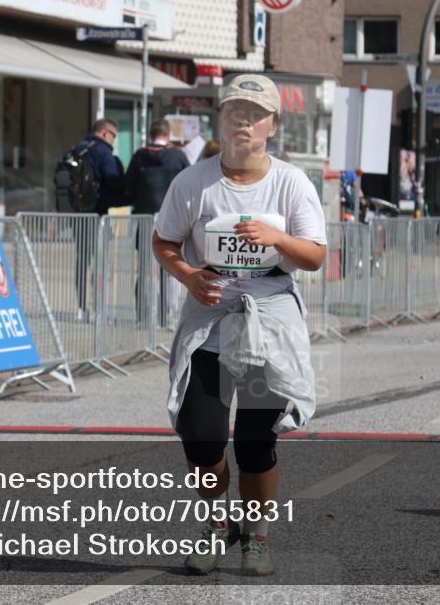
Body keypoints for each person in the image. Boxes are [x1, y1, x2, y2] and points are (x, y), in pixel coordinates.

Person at [152, 74, 327, 577]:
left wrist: (275, 236)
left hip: (266, 322)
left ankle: (255, 536)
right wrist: (188, 275)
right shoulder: (193, 181)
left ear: (272, 125)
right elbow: (164, 242)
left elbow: (314, 256)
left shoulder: (290, 182)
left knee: (254, 442)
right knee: (201, 436)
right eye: (234, 111)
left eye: (254, 113)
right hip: (210, 321)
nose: (243, 121)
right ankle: (215, 525)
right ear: (220, 120)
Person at [127, 119, 190, 323]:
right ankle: (165, 315)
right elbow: (190, 185)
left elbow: (129, 187)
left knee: (144, 269)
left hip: (143, 220)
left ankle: (141, 315)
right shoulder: (177, 156)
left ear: (151, 135)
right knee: (169, 267)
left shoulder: (139, 156)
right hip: (171, 221)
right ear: (168, 135)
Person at [70, 118, 128, 322]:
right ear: (105, 133)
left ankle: (81, 308)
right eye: (113, 135)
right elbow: (114, 183)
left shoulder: (77, 149)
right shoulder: (104, 152)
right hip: (98, 215)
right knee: (102, 261)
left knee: (82, 260)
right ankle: (99, 308)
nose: (113, 140)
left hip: (77, 214)